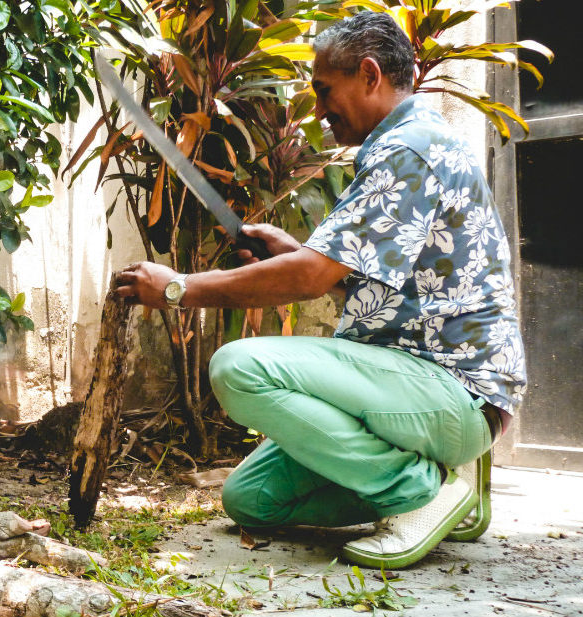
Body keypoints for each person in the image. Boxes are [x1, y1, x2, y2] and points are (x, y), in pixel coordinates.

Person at [114, 10, 526, 569]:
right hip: (415, 388)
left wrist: (176, 289)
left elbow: (311, 278)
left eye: (325, 89)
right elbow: (375, 288)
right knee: (251, 501)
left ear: (369, 74)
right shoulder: (404, 141)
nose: (320, 108)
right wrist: (295, 252)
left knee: (238, 368)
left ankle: (417, 492)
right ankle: (443, 485)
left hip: (454, 390)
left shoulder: (409, 149)